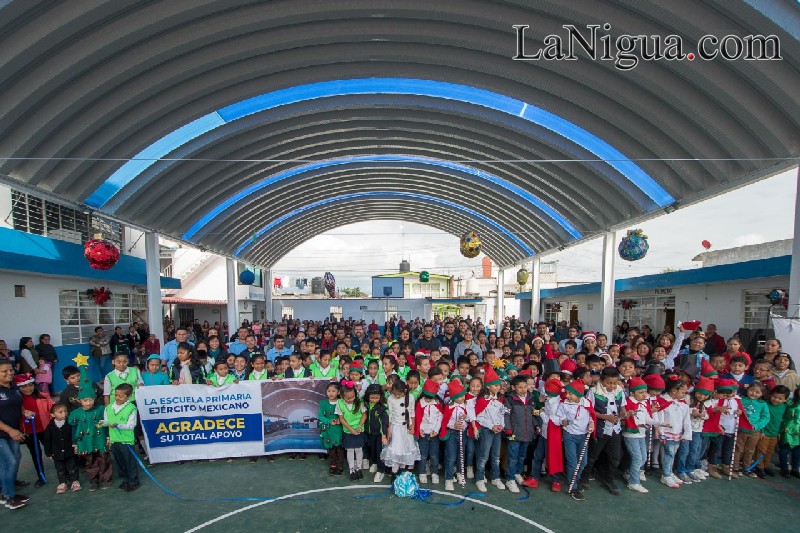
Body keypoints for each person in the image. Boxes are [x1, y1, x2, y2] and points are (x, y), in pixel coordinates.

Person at [68, 365, 112, 491]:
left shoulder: (101, 409)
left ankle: (106, 479)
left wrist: (108, 436)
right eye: (85, 400)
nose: (88, 403)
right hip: (85, 441)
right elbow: (73, 428)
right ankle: (93, 480)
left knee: (104, 459)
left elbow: (106, 423)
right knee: (90, 462)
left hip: (100, 439)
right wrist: (75, 443)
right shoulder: (76, 413)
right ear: (80, 401)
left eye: (91, 400)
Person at [582, 367, 624, 495]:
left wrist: (626, 413)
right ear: (602, 380)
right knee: (592, 456)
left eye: (614, 383)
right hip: (600, 429)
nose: (612, 386)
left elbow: (622, 407)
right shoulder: (593, 392)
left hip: (615, 429)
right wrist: (606, 417)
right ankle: (584, 478)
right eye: (609, 383)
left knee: (615, 457)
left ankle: (609, 479)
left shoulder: (619, 390)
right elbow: (590, 411)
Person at [552, 379, 595, 501]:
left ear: (579, 394)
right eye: (567, 393)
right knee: (572, 461)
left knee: (583, 462)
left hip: (583, 435)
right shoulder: (564, 404)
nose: (568, 396)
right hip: (569, 435)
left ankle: (575, 478)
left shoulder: (586, 403)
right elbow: (560, 418)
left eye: (571, 394)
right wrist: (562, 421)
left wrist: (591, 424)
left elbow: (591, 416)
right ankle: (573, 486)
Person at [471, 367, 506, 492]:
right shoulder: (482, 400)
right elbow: (479, 417)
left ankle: (495, 477)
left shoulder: (500, 400)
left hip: (497, 431)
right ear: (488, 387)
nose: (497, 387)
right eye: (495, 385)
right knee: (483, 455)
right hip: (487, 431)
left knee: (496, 456)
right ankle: (480, 478)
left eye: (498, 385)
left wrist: (501, 426)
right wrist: (491, 426)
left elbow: (502, 414)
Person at [100, 383, 140, 491]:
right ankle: (125, 480)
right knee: (119, 461)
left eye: (121, 396)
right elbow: (106, 422)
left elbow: (131, 425)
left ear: (129, 396)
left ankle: (133, 481)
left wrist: (118, 425)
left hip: (126, 440)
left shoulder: (131, 408)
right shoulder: (108, 408)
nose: (117, 398)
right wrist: (101, 424)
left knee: (129, 462)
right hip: (114, 439)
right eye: (116, 395)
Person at [503, 375, 539, 494]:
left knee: (521, 456)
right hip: (514, 434)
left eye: (525, 387)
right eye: (520, 387)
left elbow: (532, 415)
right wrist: (508, 430)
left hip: (527, 434)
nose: (523, 389)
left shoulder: (530, 398)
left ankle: (517, 473)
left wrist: (536, 426)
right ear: (513, 387)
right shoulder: (509, 399)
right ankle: (510, 479)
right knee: (513, 457)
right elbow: (506, 416)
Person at [0, 359, 27, 509]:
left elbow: (18, 404)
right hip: (4, 433)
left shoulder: (13, 387)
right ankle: (8, 497)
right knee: (8, 463)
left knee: (15, 459)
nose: (9, 373)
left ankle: (7, 489)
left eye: (10, 370)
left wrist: (24, 412)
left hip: (14, 431)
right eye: (4, 371)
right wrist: (10, 430)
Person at [17, 373, 52, 488]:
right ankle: (41, 476)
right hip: (29, 432)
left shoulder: (43, 396)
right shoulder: (17, 401)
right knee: (35, 454)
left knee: (52, 450)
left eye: (30, 385)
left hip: (45, 429)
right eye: (24, 386)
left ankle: (65, 472)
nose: (28, 388)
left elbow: (52, 409)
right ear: (18, 388)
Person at [381, 380, 420, 475]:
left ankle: (403, 471)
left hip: (406, 427)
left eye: (399, 394)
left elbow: (412, 414)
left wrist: (413, 426)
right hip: (395, 427)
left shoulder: (410, 398)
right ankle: (395, 471)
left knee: (406, 448)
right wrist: (389, 430)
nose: (397, 396)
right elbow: (390, 415)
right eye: (395, 394)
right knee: (396, 448)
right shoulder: (390, 398)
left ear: (404, 391)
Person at [622, 376, 654, 493]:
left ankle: (629, 473)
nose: (644, 395)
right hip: (631, 435)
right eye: (641, 392)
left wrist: (661, 423)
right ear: (633, 392)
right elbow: (628, 418)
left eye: (645, 392)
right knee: (637, 458)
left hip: (641, 435)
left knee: (643, 458)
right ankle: (634, 482)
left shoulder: (644, 403)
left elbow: (648, 419)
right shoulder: (628, 402)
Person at [734, 381, 770, 476]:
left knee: (750, 450)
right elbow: (734, 410)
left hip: (754, 431)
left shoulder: (763, 404)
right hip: (741, 429)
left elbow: (765, 417)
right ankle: (735, 467)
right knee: (738, 449)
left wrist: (757, 426)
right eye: (752, 390)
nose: (753, 394)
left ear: (762, 394)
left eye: (757, 392)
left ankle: (746, 468)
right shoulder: (741, 400)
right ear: (747, 389)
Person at [42, 404, 80, 493]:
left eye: (65, 412)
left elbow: (74, 436)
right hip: (57, 453)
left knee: (72, 467)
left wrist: (76, 446)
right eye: (60, 412)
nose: (64, 414)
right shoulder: (49, 427)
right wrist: (48, 453)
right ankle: (62, 483)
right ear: (52, 414)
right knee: (60, 469)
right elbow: (47, 441)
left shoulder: (70, 424)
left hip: (70, 451)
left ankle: (75, 481)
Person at [754, 385, 790, 478]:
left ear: (785, 399)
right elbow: (760, 417)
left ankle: (766, 466)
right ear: (770, 395)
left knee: (770, 451)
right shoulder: (765, 404)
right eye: (774, 396)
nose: (776, 399)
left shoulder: (784, 407)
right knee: (761, 450)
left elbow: (782, 420)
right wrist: (761, 430)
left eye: (780, 398)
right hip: (764, 433)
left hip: (774, 434)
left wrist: (779, 432)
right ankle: (759, 467)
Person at [441, 378, 469, 490]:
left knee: (460, 455)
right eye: (459, 396)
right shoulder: (449, 407)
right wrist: (454, 425)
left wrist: (465, 420)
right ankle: (448, 478)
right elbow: (445, 422)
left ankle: (459, 473)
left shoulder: (466, 405)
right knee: (451, 456)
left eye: (463, 395)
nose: (462, 398)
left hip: (463, 433)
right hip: (452, 434)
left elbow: (471, 419)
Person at [336, 380, 367, 481]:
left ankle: (359, 468)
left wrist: (359, 426)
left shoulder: (360, 402)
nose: (351, 399)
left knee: (358, 449)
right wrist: (350, 429)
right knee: (350, 450)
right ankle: (351, 469)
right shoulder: (339, 403)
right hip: (348, 430)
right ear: (341, 396)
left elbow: (364, 415)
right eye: (348, 398)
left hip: (359, 429)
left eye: (353, 397)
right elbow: (341, 419)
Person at [415, 380, 444, 484]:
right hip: (423, 433)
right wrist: (419, 429)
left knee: (434, 455)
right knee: (422, 455)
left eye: (430, 397)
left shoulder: (438, 404)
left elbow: (440, 417)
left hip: (434, 434)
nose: (427, 399)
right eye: (426, 396)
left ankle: (434, 472)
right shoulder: (420, 403)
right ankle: (422, 472)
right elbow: (418, 418)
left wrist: (436, 430)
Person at [363, 384, 389, 482]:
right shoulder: (365, 404)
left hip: (379, 434)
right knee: (372, 449)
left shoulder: (382, 407)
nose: (374, 400)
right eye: (372, 398)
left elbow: (384, 422)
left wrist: (383, 436)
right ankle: (373, 463)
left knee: (380, 452)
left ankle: (381, 471)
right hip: (369, 432)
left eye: (377, 398)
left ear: (381, 396)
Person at [319, 382, 344, 476]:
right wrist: (329, 421)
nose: (331, 393)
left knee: (340, 449)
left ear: (338, 392)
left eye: (333, 391)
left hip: (339, 429)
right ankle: (333, 465)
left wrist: (340, 420)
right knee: (331, 449)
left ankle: (340, 466)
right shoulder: (323, 403)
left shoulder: (341, 402)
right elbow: (320, 416)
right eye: (329, 391)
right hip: (328, 429)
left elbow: (345, 414)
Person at [779, 385, 800, 478]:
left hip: (798, 431)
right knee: (784, 449)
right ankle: (784, 468)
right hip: (788, 429)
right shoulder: (790, 402)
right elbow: (782, 415)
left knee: (797, 451)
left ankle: (795, 468)